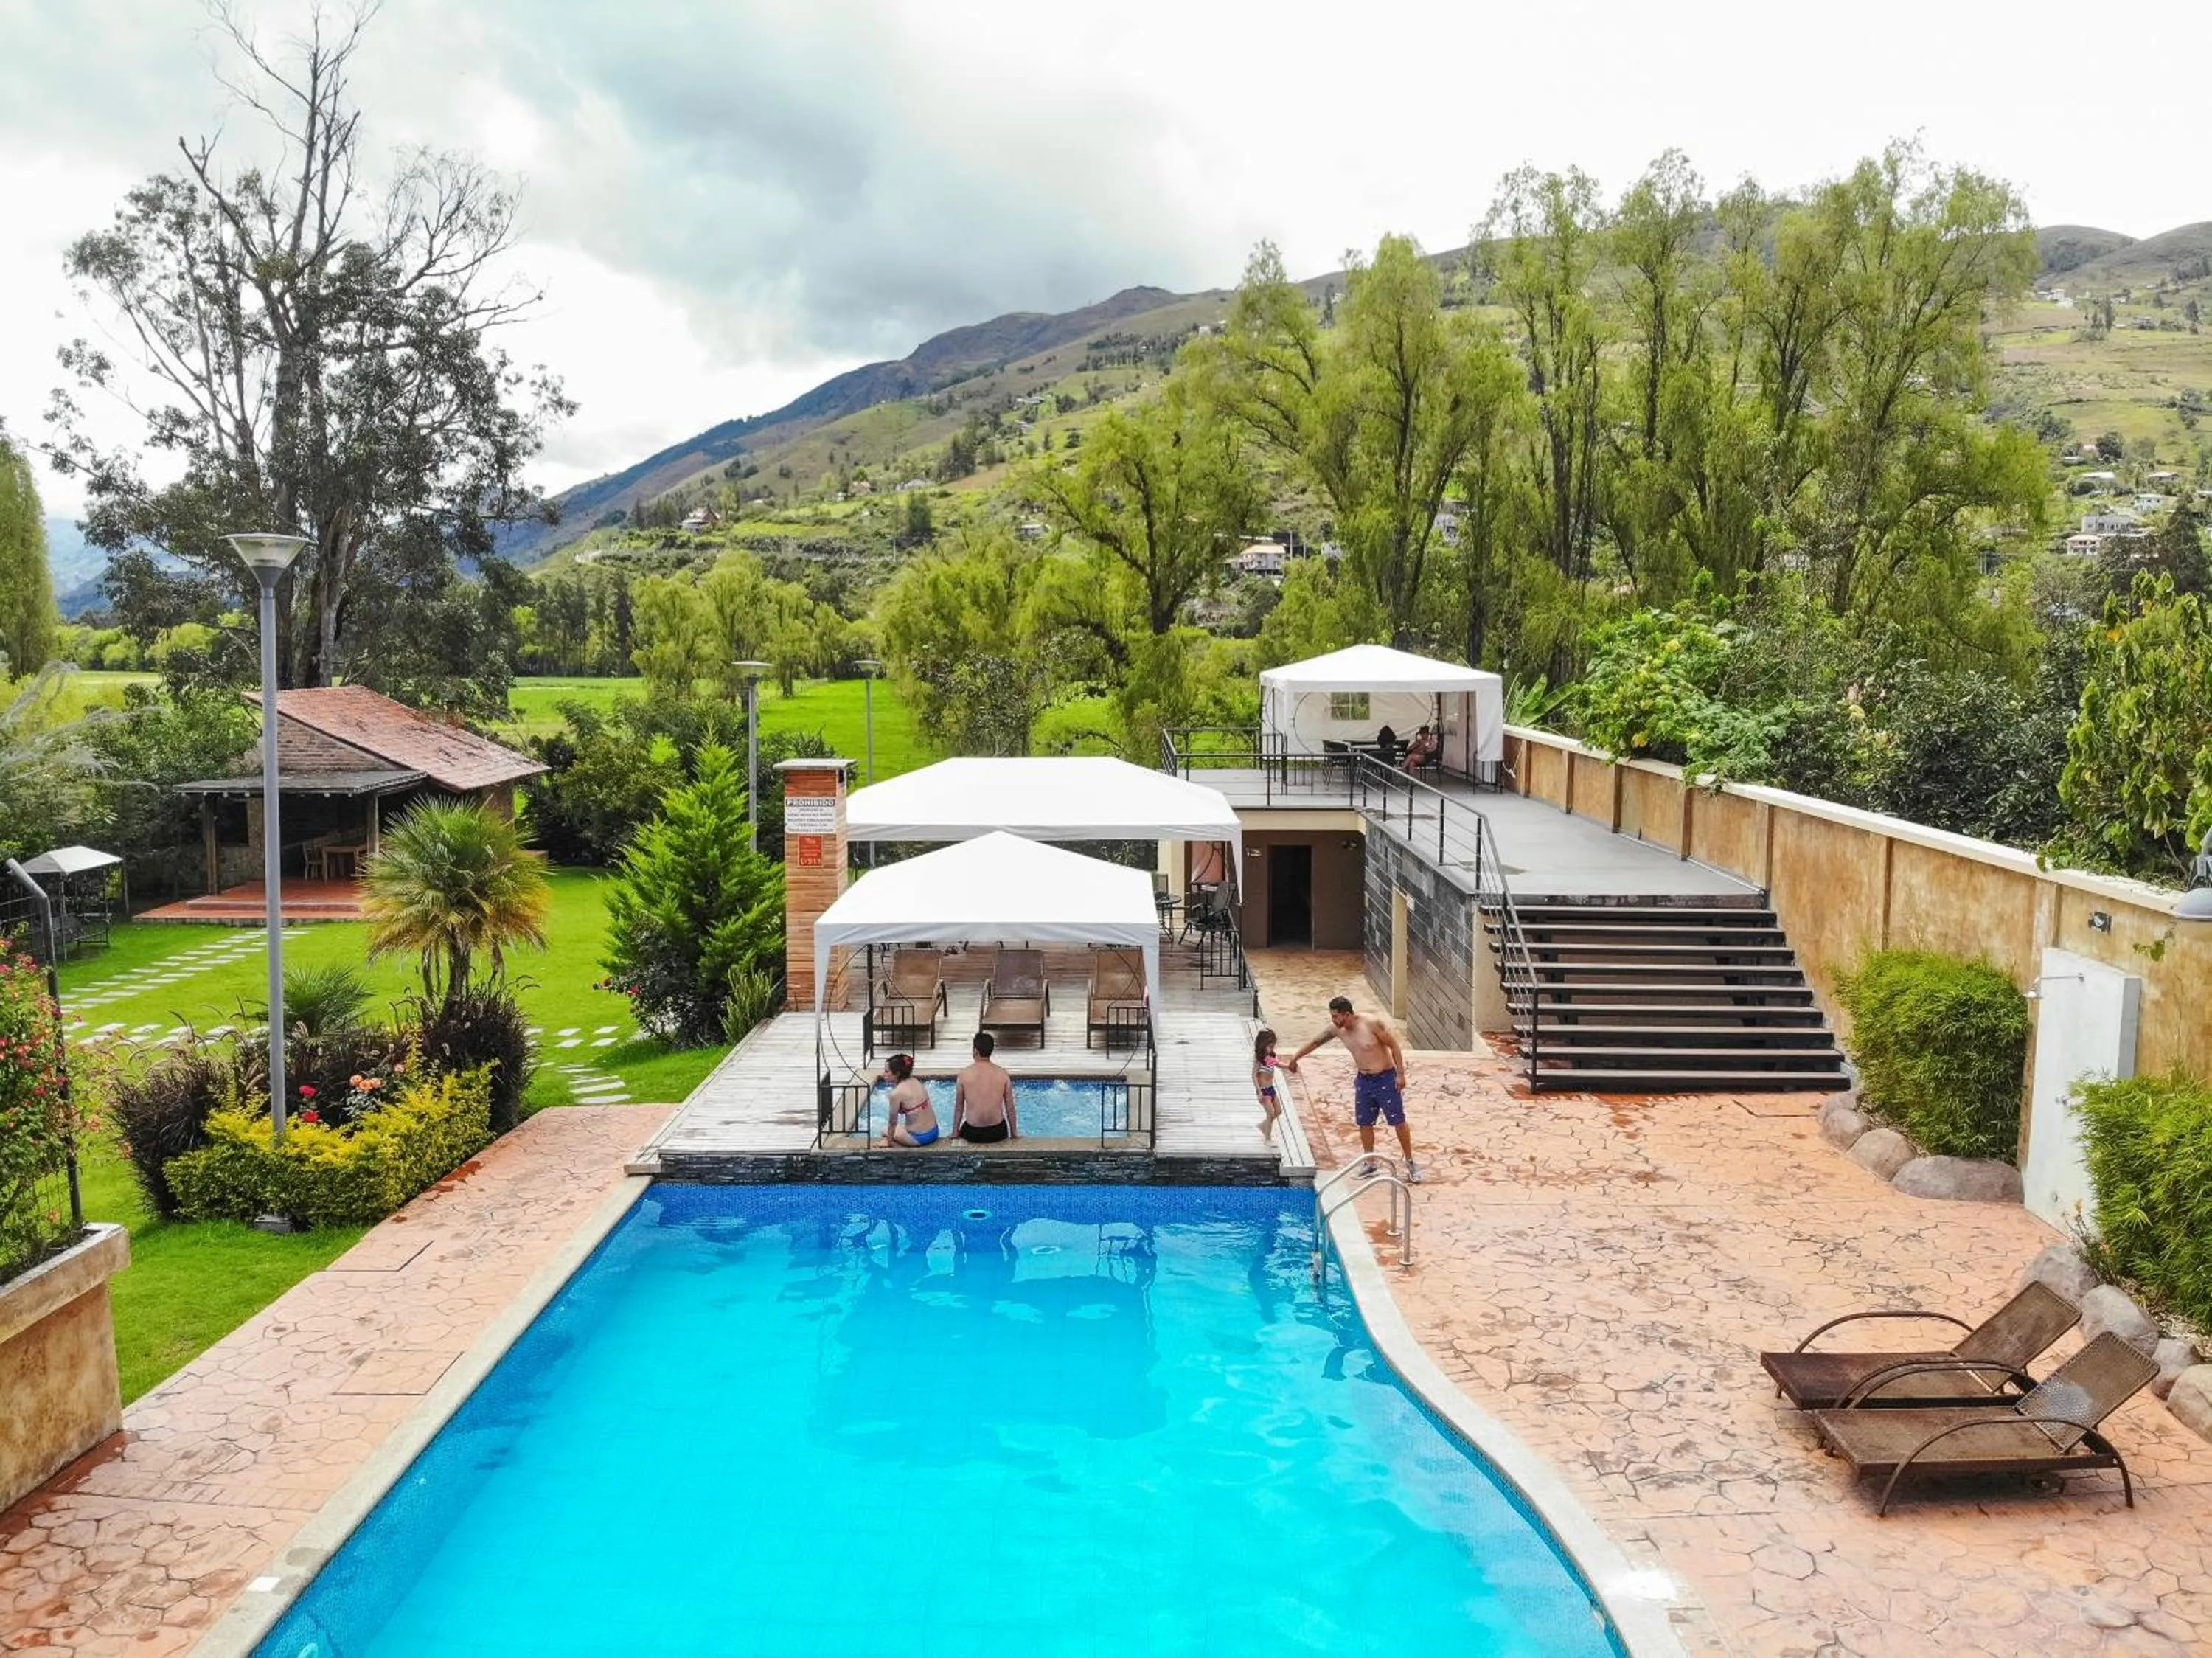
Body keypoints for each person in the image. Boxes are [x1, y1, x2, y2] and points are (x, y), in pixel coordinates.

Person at [1282, 995, 1418, 1181]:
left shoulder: (1371, 1024)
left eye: (1336, 1016)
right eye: (1332, 1016)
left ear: (1347, 1014)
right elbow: (1315, 1043)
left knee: (1398, 1121)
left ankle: (1410, 1162)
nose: (1333, 1020)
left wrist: (1400, 1074)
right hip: (1364, 1080)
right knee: (1364, 1122)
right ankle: (1370, 1162)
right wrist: (1295, 1058)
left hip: (1385, 1078)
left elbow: (1394, 1046)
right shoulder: (1336, 1029)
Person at [953, 1031, 1020, 1143]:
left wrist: (955, 1132)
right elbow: (1010, 1107)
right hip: (998, 1132)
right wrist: (1014, 1133)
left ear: (975, 1051)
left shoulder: (964, 1075)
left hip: (973, 1133)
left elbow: (959, 1107)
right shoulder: (1002, 1074)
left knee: (964, 1129)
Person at [877, 1052, 939, 1148]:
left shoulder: (897, 1094)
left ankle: (900, 1149)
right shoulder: (915, 1081)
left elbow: (892, 1122)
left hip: (919, 1138)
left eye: (886, 1071)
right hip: (934, 1132)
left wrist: (888, 1143)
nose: (883, 1074)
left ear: (897, 1073)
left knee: (884, 1131)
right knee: (902, 1127)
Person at [1252, 1027, 1283, 1141]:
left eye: (1273, 1047)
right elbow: (1254, 1075)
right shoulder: (1259, 1060)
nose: (1271, 1049)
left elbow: (1278, 1064)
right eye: (1270, 1047)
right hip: (1264, 1091)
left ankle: (1263, 1126)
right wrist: (1259, 1091)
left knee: (1278, 1111)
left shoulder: (1269, 1058)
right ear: (1262, 1045)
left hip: (1271, 1088)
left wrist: (1290, 1066)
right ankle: (1268, 1138)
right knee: (1270, 1114)